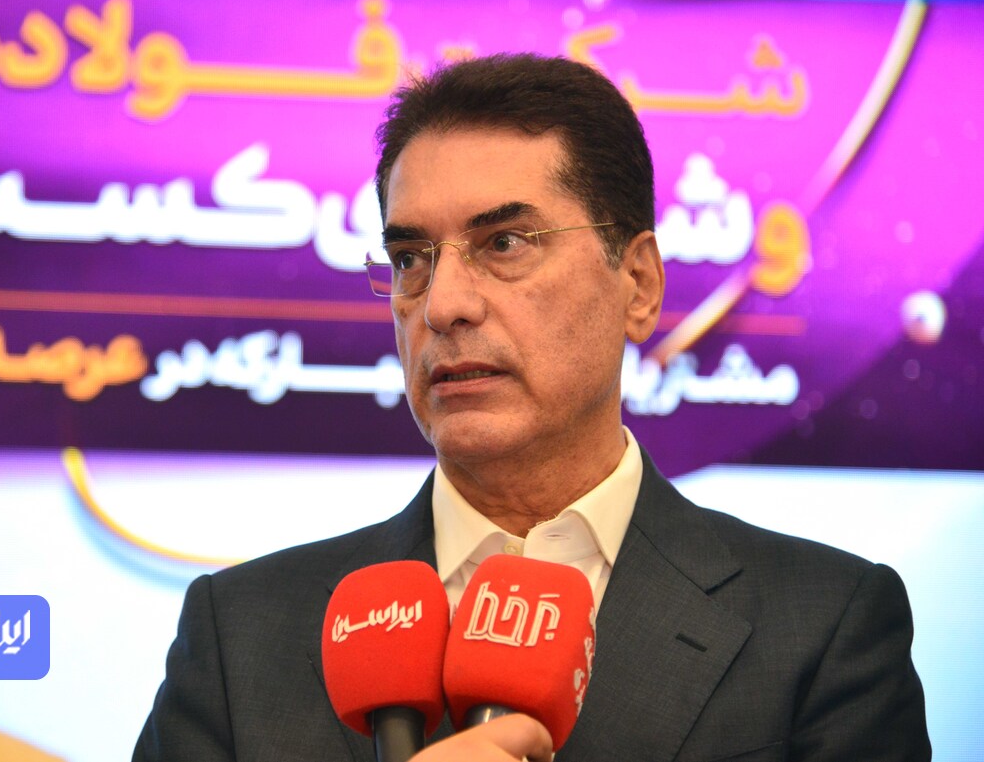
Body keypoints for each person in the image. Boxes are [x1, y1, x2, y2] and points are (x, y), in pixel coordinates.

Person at [132, 53, 930, 761]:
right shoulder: (241, 636)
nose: (443, 303)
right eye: (410, 257)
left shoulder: (824, 627)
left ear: (639, 284)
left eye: (504, 243)